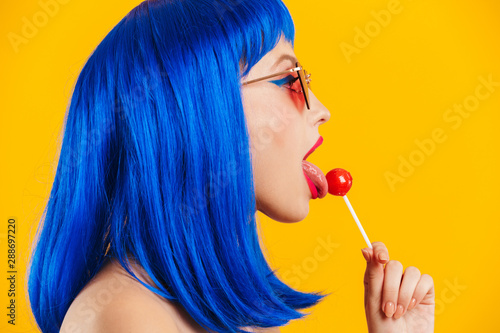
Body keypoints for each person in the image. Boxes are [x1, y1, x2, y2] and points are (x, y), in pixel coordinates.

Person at [27, 0, 435, 332]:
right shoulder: (120, 320)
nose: (322, 111)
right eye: (289, 79)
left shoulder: (239, 317)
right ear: (200, 112)